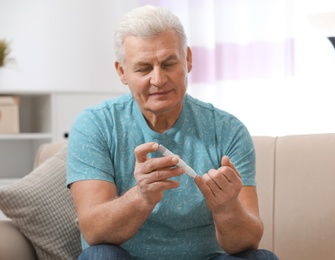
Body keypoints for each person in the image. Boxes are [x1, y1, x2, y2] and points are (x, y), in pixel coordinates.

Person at [66, 5, 278, 260]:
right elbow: (93, 232)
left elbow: (249, 241)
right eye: (144, 68)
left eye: (169, 63)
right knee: (99, 256)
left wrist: (227, 208)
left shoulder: (228, 130)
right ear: (122, 71)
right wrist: (141, 197)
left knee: (261, 258)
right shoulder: (95, 125)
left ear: (187, 59)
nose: (158, 79)